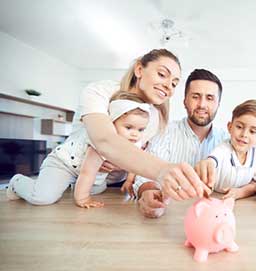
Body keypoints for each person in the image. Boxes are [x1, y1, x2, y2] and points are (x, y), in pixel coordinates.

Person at [6, 49, 209, 205]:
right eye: (162, 75)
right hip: (71, 163)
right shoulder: (100, 92)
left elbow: (139, 153)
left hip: (101, 180)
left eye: (174, 83)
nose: (168, 86)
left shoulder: (156, 117)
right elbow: (104, 141)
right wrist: (162, 170)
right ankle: (17, 182)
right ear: (139, 69)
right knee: (44, 197)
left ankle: (75, 187)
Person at [7, 91, 151, 207]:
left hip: (86, 171)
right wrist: (82, 199)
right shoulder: (100, 141)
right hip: (64, 163)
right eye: (128, 127)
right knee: (42, 198)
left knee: (97, 189)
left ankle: (72, 185)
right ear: (111, 123)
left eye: (141, 129)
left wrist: (129, 180)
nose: (135, 134)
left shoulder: (134, 141)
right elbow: (87, 172)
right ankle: (17, 182)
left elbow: (134, 163)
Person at [127, 69, 228, 217]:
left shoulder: (228, 141)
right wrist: (148, 191)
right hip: (169, 217)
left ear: (218, 104)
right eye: (195, 97)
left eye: (210, 98)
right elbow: (146, 175)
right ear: (185, 101)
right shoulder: (164, 131)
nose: (202, 104)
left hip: (214, 218)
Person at [195, 99, 256, 204]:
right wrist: (207, 163)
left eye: (252, 131)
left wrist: (239, 192)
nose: (244, 134)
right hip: (215, 198)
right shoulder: (223, 149)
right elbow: (212, 160)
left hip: (241, 201)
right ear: (230, 127)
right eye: (239, 127)